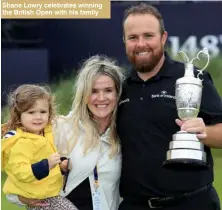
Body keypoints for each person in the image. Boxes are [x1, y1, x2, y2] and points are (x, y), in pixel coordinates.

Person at [117, 3, 222, 210]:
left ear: (163, 38)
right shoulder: (119, 87)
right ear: (124, 41)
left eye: (148, 36)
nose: (141, 44)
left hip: (192, 203)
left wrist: (204, 132)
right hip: (134, 205)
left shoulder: (192, 79)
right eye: (133, 38)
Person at [4, 55, 125, 210]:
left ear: (117, 94)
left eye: (108, 90)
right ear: (84, 95)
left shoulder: (124, 135)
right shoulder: (59, 127)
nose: (101, 98)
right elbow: (17, 163)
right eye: (93, 91)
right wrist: (20, 197)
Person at [1, 84, 78, 210]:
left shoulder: (45, 133)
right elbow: (21, 171)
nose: (38, 117)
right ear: (18, 115)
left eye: (43, 112)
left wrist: (60, 167)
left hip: (50, 194)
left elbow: (43, 164)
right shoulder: (20, 142)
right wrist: (46, 164)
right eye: (31, 112)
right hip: (41, 200)